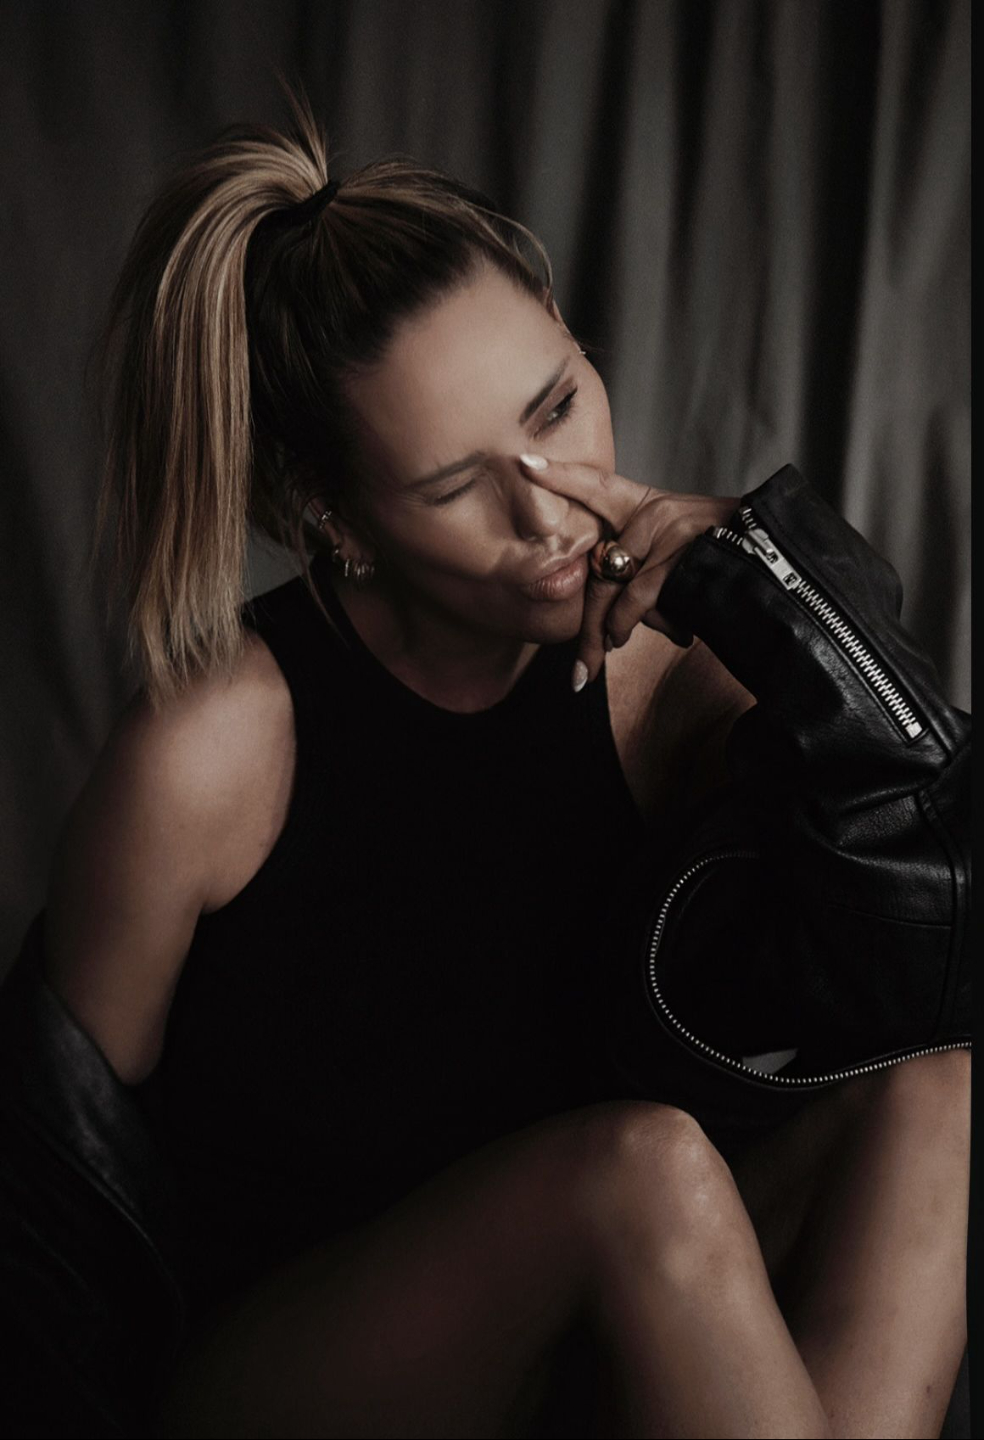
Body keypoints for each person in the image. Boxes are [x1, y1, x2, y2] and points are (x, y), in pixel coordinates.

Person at [39, 94, 969, 1438]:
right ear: (336, 520)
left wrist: (787, 596)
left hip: (609, 1322)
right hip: (288, 1372)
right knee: (638, 1170)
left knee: (943, 1097)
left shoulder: (685, 678)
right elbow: (51, 1193)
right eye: (454, 486)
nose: (551, 509)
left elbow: (943, 963)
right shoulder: (209, 751)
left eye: (558, 404)